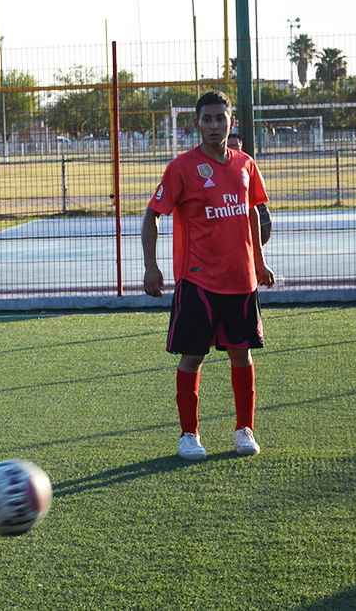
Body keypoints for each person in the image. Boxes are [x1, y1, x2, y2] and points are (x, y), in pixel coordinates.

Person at [142, 92, 275, 461]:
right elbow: (152, 215)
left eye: (221, 118)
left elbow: (250, 214)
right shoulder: (182, 168)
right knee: (192, 357)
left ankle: (244, 430)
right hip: (198, 280)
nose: (215, 125)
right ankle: (189, 435)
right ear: (196, 124)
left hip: (241, 279)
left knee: (242, 354)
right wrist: (150, 265)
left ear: (231, 121)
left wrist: (259, 262)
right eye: (207, 120)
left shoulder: (246, 165)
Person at [227, 130, 272, 245]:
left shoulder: (247, 162)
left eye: (237, 146)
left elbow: (259, 189)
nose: (234, 148)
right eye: (230, 146)